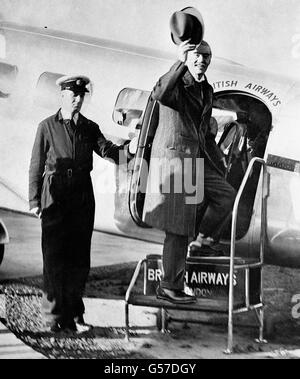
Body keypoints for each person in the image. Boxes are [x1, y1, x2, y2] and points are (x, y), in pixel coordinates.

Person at [29, 75, 137, 332]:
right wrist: (34, 199)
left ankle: (75, 315)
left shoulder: (89, 127)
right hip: (54, 194)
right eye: (72, 95)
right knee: (54, 258)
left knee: (79, 259)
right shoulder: (46, 126)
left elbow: (109, 151)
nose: (77, 100)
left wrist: (130, 150)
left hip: (81, 196)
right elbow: (36, 164)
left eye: (81, 96)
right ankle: (54, 318)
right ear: (62, 96)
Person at [142, 8, 236, 305]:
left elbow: (204, 133)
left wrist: (218, 161)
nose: (202, 60)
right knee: (177, 229)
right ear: (187, 58)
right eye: (196, 55)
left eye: (206, 57)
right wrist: (178, 63)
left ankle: (204, 239)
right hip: (175, 164)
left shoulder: (206, 91)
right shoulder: (176, 85)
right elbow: (159, 93)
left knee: (225, 194)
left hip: (195, 163)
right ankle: (170, 287)